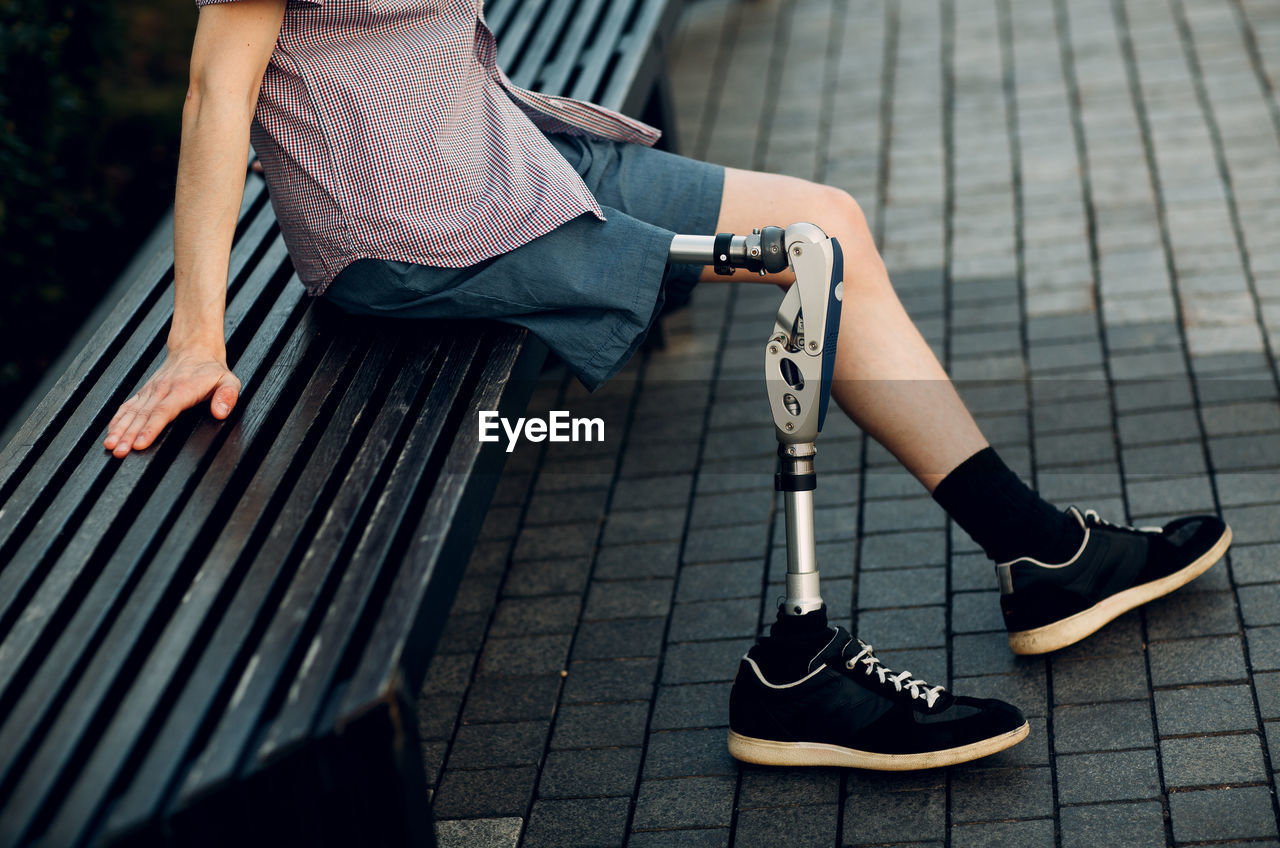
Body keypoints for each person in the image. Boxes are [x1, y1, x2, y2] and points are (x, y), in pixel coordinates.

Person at [102, 0, 1231, 770]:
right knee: (807, 261)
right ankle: (794, 668)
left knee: (826, 218)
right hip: (419, 230)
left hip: (498, 152)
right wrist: (196, 336)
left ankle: (1041, 558)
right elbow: (217, 88)